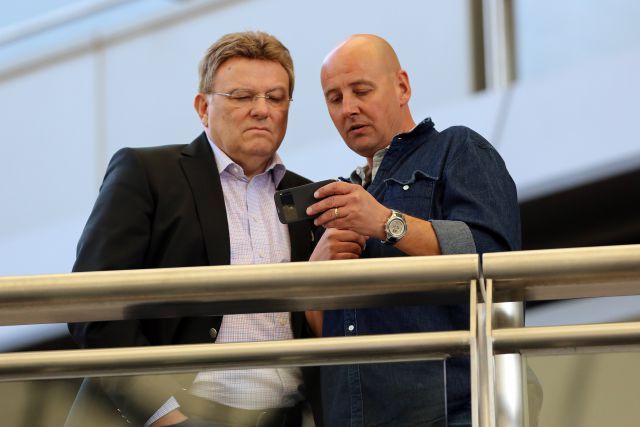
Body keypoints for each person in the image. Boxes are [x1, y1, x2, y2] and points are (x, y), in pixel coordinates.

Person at [65, 31, 353, 427]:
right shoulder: (148, 174)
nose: (261, 109)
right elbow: (91, 307)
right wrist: (165, 416)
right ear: (203, 107)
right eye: (241, 96)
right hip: (168, 415)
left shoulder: (312, 199)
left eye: (275, 97)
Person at [306, 34, 521, 426]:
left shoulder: (458, 147)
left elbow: (498, 263)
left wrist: (386, 223)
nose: (348, 108)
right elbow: (332, 334)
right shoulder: (344, 196)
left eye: (361, 90)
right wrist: (314, 281)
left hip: (452, 411)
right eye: (334, 98)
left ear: (402, 86)